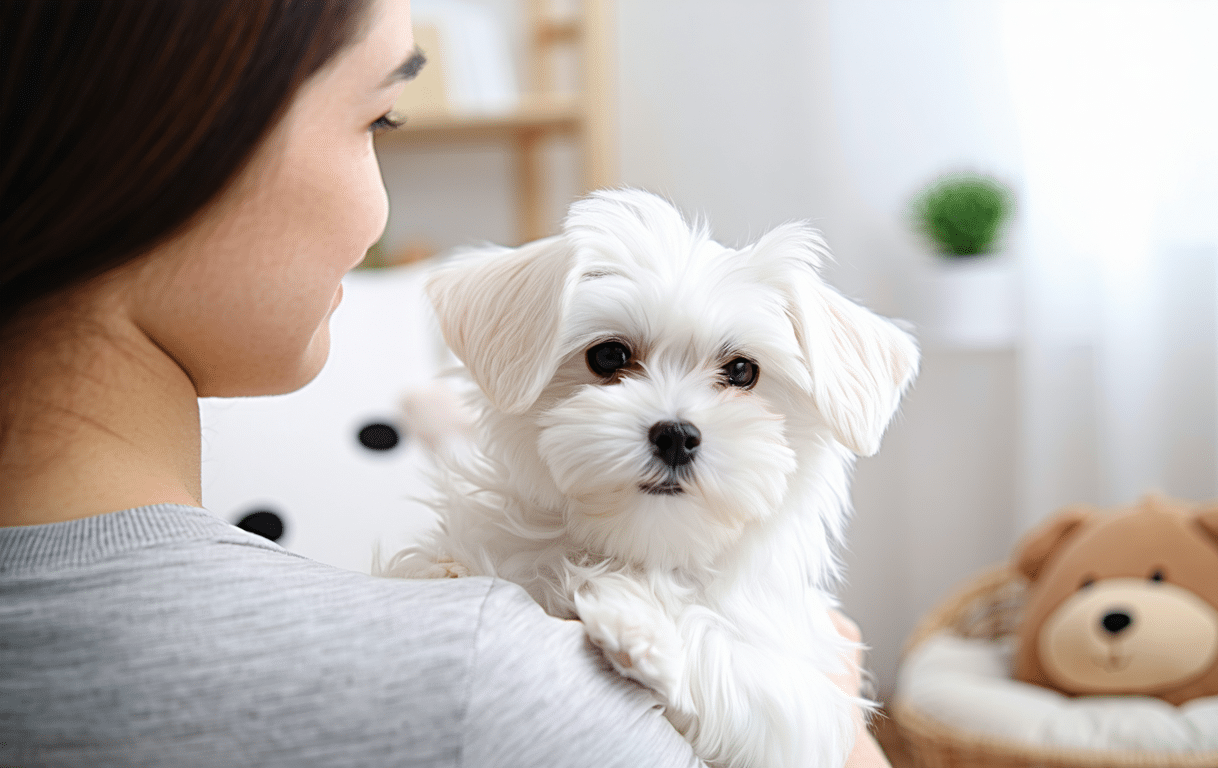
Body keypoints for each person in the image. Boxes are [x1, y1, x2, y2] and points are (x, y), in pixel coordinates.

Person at [0, 1, 892, 766]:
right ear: (173, 142)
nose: (381, 210)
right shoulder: (494, 683)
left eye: (738, 375)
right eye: (376, 120)